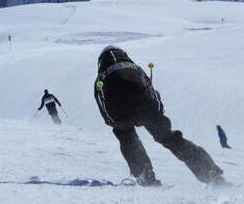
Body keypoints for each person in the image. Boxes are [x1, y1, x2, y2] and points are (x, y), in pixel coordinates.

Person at [94, 46, 227, 187]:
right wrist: (157, 111)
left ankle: (145, 174)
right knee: (170, 138)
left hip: (120, 114)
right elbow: (150, 89)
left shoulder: (101, 77)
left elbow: (102, 104)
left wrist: (114, 122)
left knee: (127, 138)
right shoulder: (135, 68)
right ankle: (210, 172)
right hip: (147, 108)